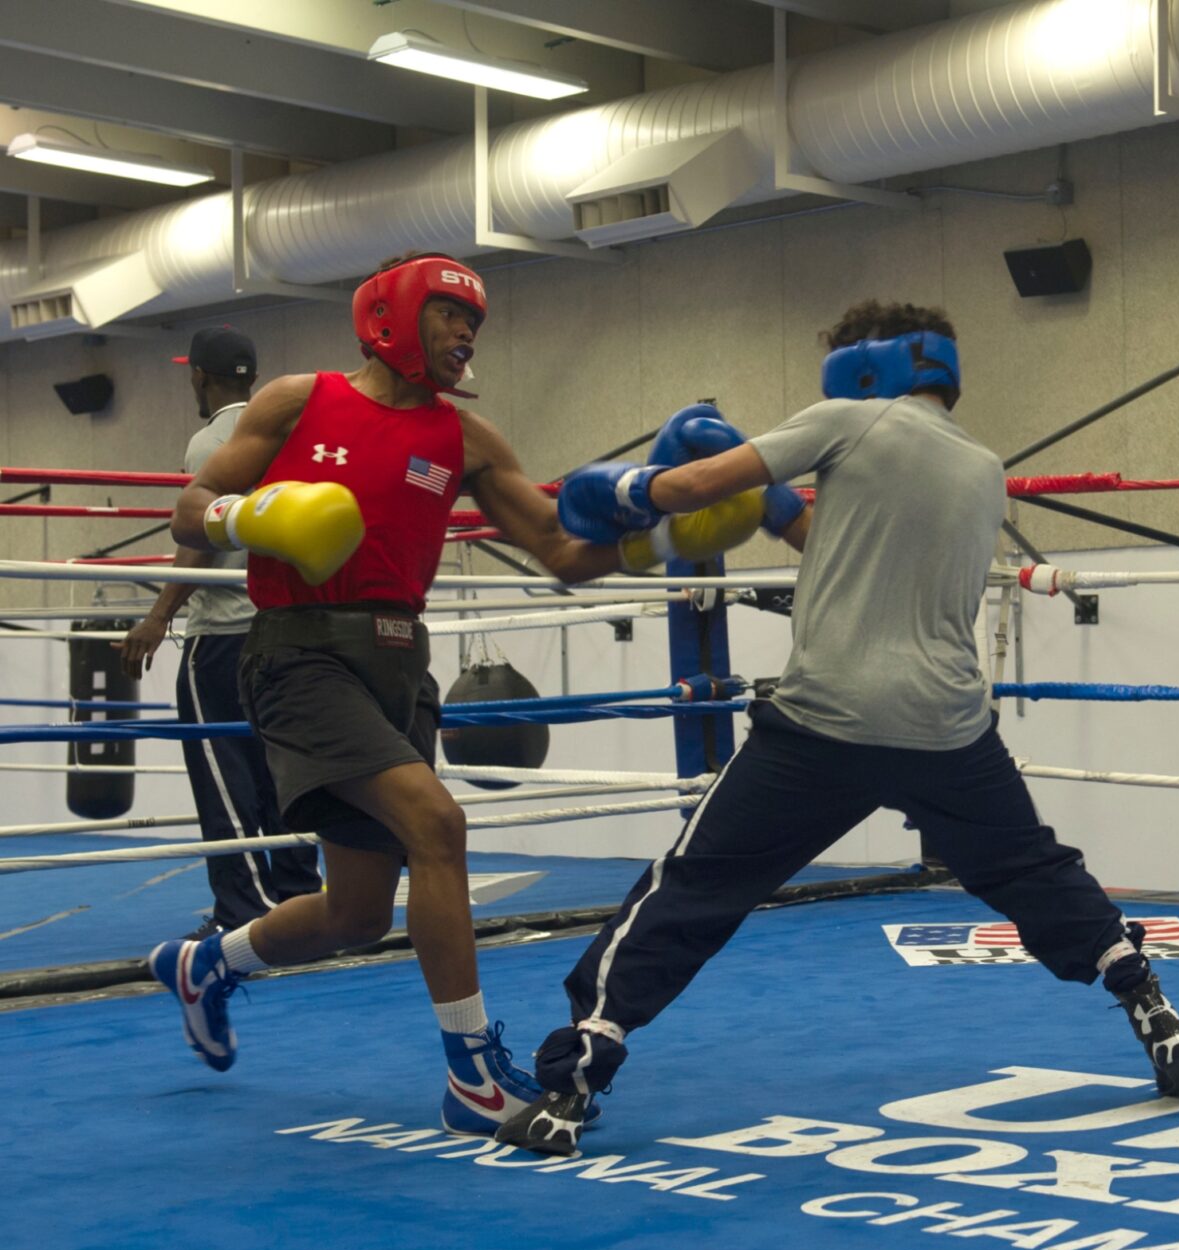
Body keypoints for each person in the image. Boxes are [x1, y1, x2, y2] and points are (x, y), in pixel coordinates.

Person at [497, 300, 1179, 1158]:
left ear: (865, 367)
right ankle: (1150, 1006)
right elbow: (835, 542)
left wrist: (612, 489)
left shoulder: (846, 420)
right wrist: (770, 506)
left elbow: (684, 488)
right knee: (1031, 869)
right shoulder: (985, 466)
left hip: (826, 722)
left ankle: (572, 1086)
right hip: (948, 727)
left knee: (695, 884)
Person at [144, 252, 782, 1134]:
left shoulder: (466, 441)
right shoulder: (299, 400)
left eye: (474, 322)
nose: (465, 333)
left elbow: (562, 553)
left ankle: (208, 964)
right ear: (390, 316)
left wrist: (667, 542)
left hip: (401, 664)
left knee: (358, 913)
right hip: (299, 655)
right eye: (449, 313)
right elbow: (191, 506)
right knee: (437, 824)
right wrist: (249, 516)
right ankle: (475, 1077)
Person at [120, 327, 322, 939]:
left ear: (199, 377)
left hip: (225, 638)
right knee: (284, 771)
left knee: (224, 775)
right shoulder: (297, 433)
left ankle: (245, 912)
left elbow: (199, 541)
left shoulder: (212, 441)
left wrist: (158, 617)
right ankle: (298, 901)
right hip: (289, 631)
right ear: (252, 377)